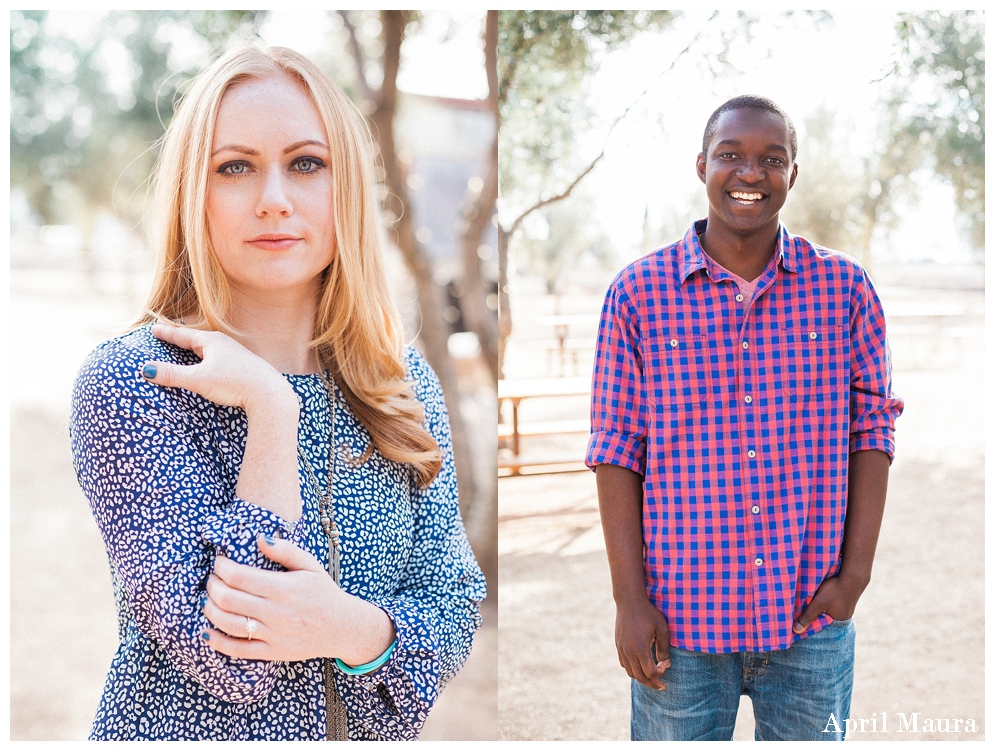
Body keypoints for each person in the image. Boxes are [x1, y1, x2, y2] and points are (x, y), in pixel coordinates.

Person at [69, 46, 485, 741]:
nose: (272, 199)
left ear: (345, 184)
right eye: (235, 167)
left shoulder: (400, 381)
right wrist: (269, 411)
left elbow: (453, 603)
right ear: (191, 192)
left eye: (305, 163)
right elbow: (230, 658)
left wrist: (344, 625)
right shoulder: (130, 382)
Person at [586, 95, 903, 741]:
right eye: (731, 155)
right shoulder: (637, 295)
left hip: (809, 617)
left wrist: (854, 577)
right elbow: (616, 447)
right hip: (680, 622)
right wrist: (629, 599)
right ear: (702, 164)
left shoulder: (845, 291)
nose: (750, 173)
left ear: (793, 173)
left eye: (771, 159)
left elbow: (871, 433)